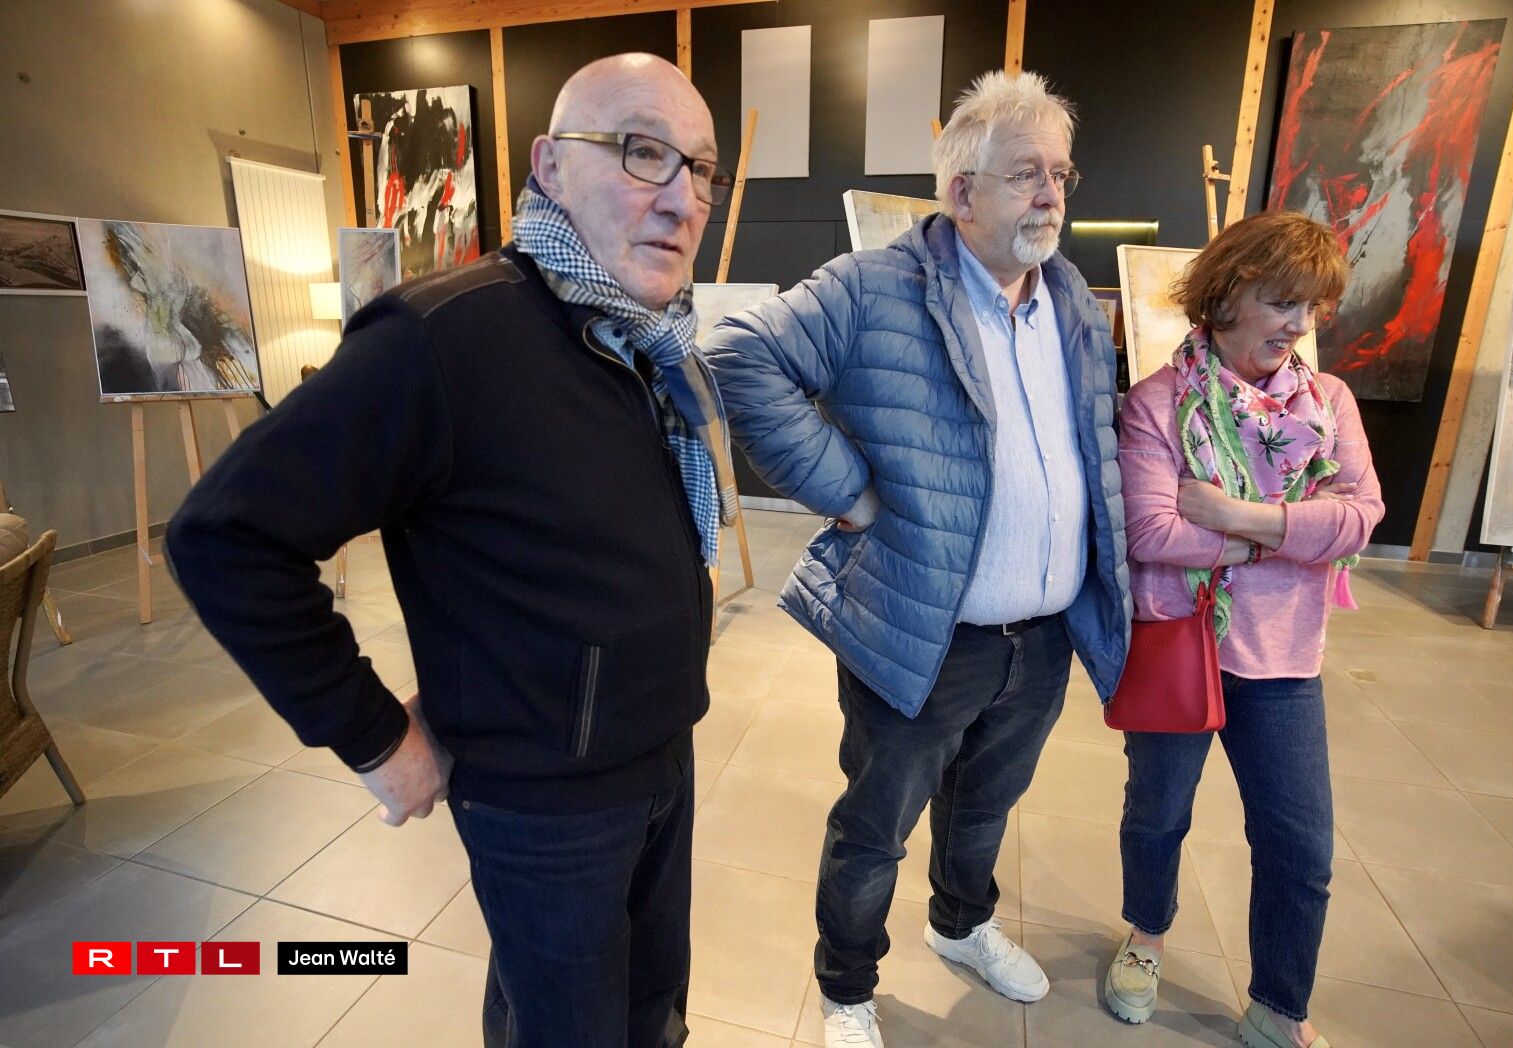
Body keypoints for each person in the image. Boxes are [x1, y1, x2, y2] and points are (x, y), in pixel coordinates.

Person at [166, 53, 738, 1048]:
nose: (683, 198)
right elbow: (225, 536)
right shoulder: (444, 337)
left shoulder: (648, 339)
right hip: (546, 802)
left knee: (649, 1017)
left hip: (660, 756)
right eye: (644, 153)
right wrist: (375, 739)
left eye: (701, 168)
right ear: (549, 165)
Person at [704, 70, 1129, 1048]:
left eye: (1061, 173)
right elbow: (737, 355)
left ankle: (962, 923)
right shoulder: (874, 286)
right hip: (920, 632)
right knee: (875, 826)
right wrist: (847, 491)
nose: (1052, 194)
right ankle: (846, 987)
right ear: (961, 191)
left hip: (1042, 636)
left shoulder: (1068, 295)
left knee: (986, 806)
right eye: (1027, 173)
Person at [1103, 209, 1384, 1048]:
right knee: (1157, 815)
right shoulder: (1158, 403)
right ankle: (1146, 936)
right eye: (1281, 301)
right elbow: (1153, 531)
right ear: (1225, 295)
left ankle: (1279, 1006)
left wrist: (1236, 516)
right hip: (1178, 644)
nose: (1299, 324)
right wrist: (1295, 532)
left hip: (1285, 660)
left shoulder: (1329, 403)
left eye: (1312, 306)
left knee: (1300, 844)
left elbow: (1361, 518)